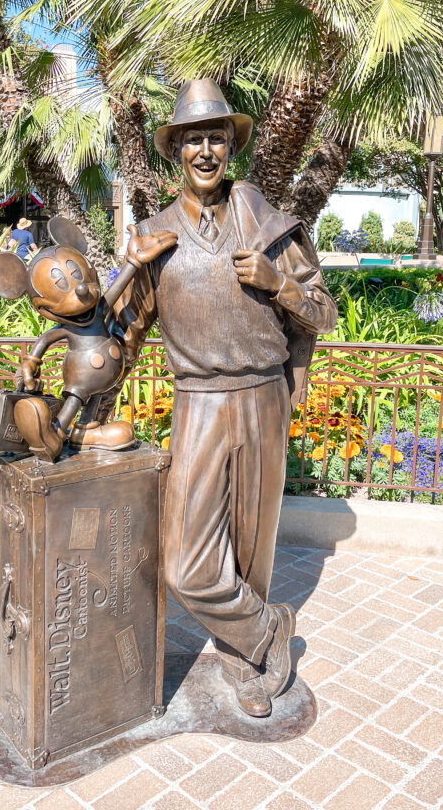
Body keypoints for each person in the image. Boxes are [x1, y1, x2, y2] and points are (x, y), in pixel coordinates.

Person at [105, 79, 338, 717]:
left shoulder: (269, 226)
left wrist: (280, 285)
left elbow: (325, 312)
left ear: (230, 146)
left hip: (263, 396)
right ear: (175, 150)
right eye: (192, 139)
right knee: (186, 563)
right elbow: (120, 333)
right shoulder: (154, 236)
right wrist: (124, 273)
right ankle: (269, 629)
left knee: (252, 544)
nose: (205, 150)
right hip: (200, 403)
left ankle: (245, 660)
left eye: (215, 137)